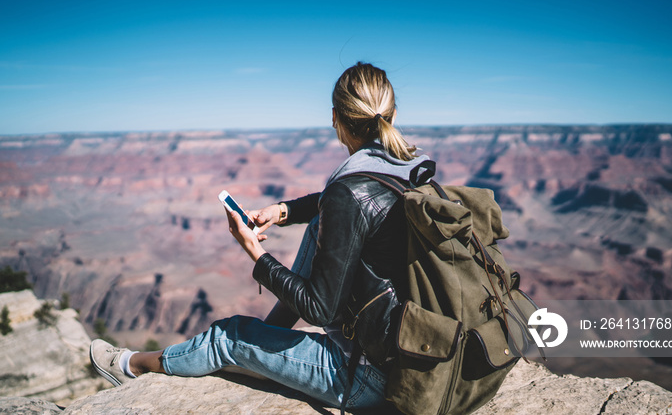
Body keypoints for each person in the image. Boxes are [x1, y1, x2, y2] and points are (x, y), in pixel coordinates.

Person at [89, 62, 434, 411]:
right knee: (318, 227)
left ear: (335, 118)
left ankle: (130, 366)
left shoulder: (350, 193)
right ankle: (268, 340)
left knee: (228, 335)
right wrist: (283, 211)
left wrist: (255, 252)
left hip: (370, 376)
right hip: (416, 347)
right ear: (391, 113)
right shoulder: (411, 168)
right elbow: (348, 205)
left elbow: (319, 308)